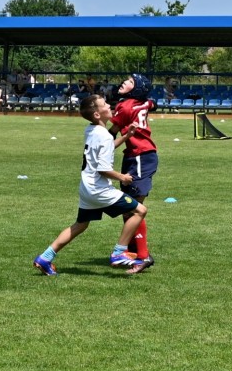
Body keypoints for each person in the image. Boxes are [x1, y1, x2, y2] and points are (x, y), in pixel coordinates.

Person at [32, 94, 150, 276]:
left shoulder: (91, 130)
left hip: (87, 187)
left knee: (80, 225)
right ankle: (119, 252)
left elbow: (107, 146)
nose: (109, 105)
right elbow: (103, 169)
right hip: (99, 190)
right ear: (97, 114)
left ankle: (45, 258)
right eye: (104, 104)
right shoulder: (103, 135)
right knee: (140, 211)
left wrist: (127, 136)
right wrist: (122, 178)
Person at [108, 74, 158, 269]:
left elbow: (112, 131)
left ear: (136, 89)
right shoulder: (144, 102)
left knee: (134, 208)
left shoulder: (126, 106)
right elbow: (153, 104)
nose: (124, 82)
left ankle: (143, 257)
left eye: (130, 82)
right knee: (129, 208)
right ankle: (132, 252)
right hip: (139, 156)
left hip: (139, 156)